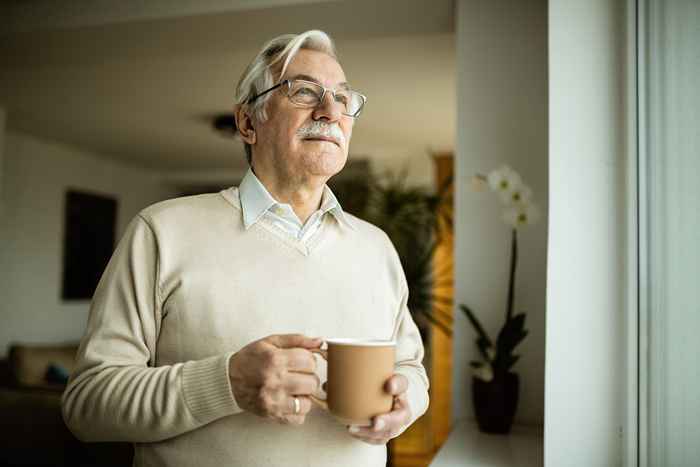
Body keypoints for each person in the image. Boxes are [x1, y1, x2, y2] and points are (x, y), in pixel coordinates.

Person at [62, 29, 428, 467]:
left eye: (343, 98)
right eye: (305, 92)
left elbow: (411, 370)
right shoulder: (161, 231)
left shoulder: (377, 248)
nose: (331, 111)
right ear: (248, 123)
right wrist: (226, 385)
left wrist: (407, 405)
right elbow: (87, 405)